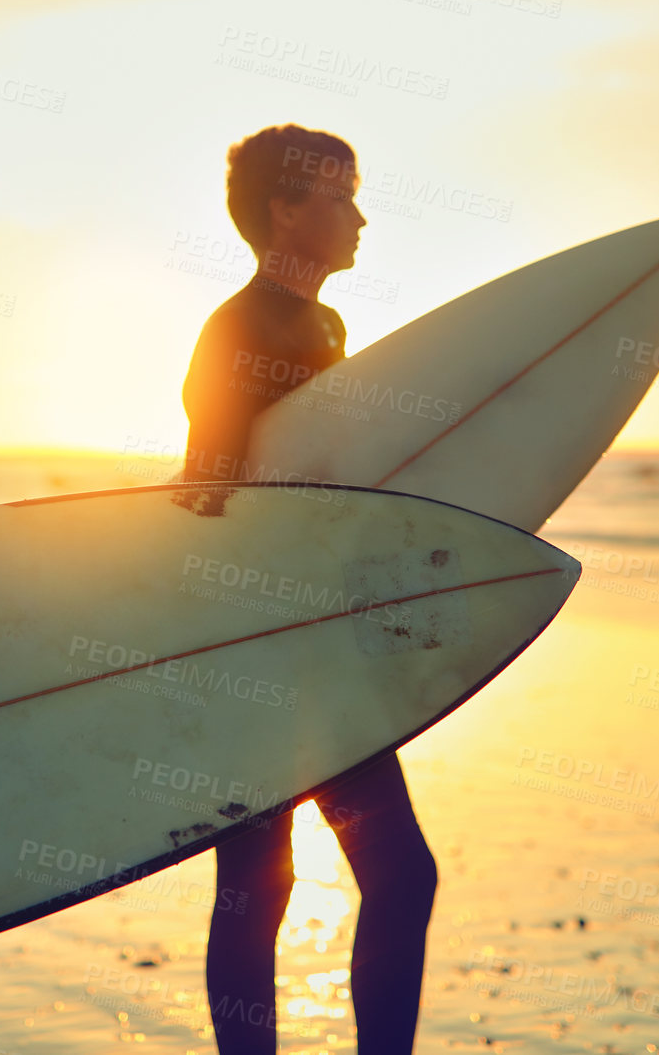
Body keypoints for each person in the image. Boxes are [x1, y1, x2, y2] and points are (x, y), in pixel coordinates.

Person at [181, 125, 440, 1055]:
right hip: (261, 646)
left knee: (381, 877)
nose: (360, 216)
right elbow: (205, 494)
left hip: (322, 642)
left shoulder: (324, 326)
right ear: (285, 211)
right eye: (340, 196)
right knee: (266, 884)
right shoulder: (239, 329)